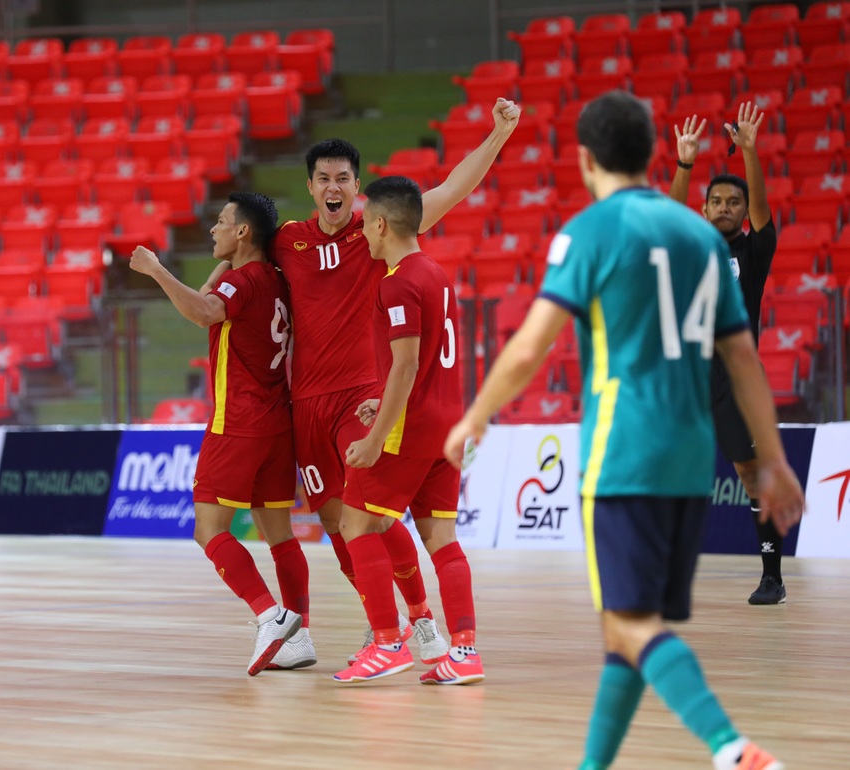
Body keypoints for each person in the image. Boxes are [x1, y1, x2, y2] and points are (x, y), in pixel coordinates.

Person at [443, 91, 804, 768]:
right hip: (690, 455)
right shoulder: (700, 239)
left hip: (623, 451)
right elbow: (744, 357)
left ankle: (729, 747)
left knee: (631, 625)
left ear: (583, 159)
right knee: (626, 633)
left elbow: (526, 349)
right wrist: (776, 460)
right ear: (648, 156)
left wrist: (474, 415)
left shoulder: (590, 232)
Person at [272, 99, 521, 663]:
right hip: (306, 402)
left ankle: (416, 623)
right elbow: (239, 249)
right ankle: (387, 624)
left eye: (343, 178)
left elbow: (455, 188)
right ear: (311, 187)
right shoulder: (287, 241)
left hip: (364, 395)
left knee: (368, 515)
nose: (333, 187)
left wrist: (497, 137)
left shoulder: (377, 231)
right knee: (337, 524)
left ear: (356, 186)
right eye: (323, 179)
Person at [129, 192, 310, 675]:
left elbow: (206, 312)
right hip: (278, 422)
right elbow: (214, 295)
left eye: (222, 223)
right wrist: (221, 266)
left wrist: (156, 271)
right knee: (280, 535)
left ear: (243, 232)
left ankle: (270, 617)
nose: (213, 229)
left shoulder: (243, 282)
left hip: (239, 422)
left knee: (208, 529)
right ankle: (300, 633)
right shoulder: (272, 278)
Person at [328, 176, 483, 685]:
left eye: (367, 222)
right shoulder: (436, 273)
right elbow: (423, 366)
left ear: (379, 223)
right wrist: (382, 403)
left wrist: (376, 437)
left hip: (411, 428)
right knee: (442, 535)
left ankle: (387, 643)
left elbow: (407, 364)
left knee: (358, 525)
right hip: (447, 423)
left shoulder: (396, 281)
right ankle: (463, 653)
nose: (364, 234)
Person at [670, 102, 786, 605]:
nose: (723, 207)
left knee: (750, 475)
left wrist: (750, 152)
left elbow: (761, 208)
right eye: (715, 200)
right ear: (704, 209)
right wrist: (685, 164)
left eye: (732, 202)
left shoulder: (753, 252)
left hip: (735, 381)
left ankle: (772, 577)